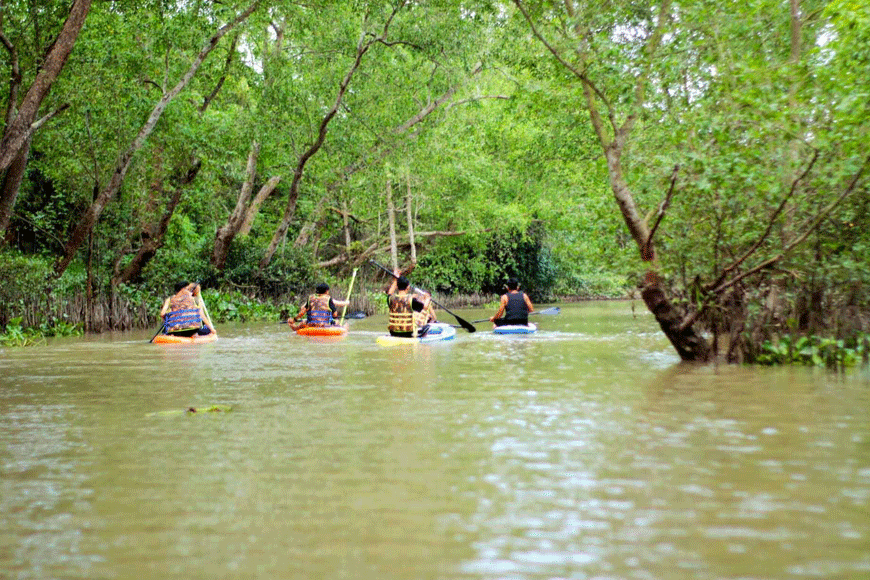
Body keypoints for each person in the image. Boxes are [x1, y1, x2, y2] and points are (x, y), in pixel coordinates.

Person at [386, 268, 434, 338]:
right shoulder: (411, 300)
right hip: (407, 333)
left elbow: (390, 293)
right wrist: (427, 298)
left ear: (397, 287)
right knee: (425, 327)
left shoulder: (391, 299)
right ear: (408, 287)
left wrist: (395, 279)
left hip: (393, 332)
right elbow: (425, 307)